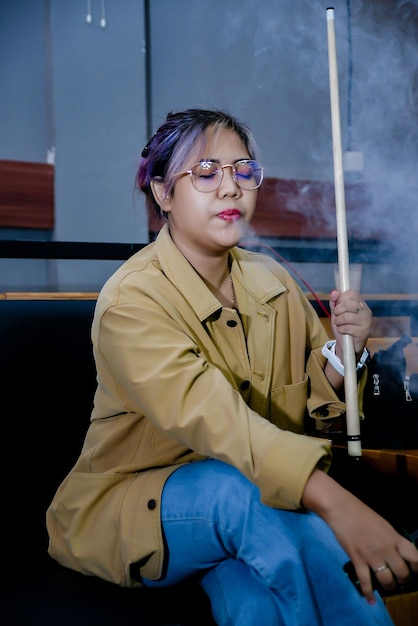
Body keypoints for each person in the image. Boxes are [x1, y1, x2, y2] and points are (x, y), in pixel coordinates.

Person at [46, 108, 418, 625]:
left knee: (256, 603)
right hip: (137, 504)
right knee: (236, 491)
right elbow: (217, 419)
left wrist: (344, 351)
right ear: (162, 193)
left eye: (243, 170)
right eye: (205, 172)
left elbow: (315, 407)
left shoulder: (274, 282)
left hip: (253, 501)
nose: (231, 188)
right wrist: (339, 506)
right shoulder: (132, 299)